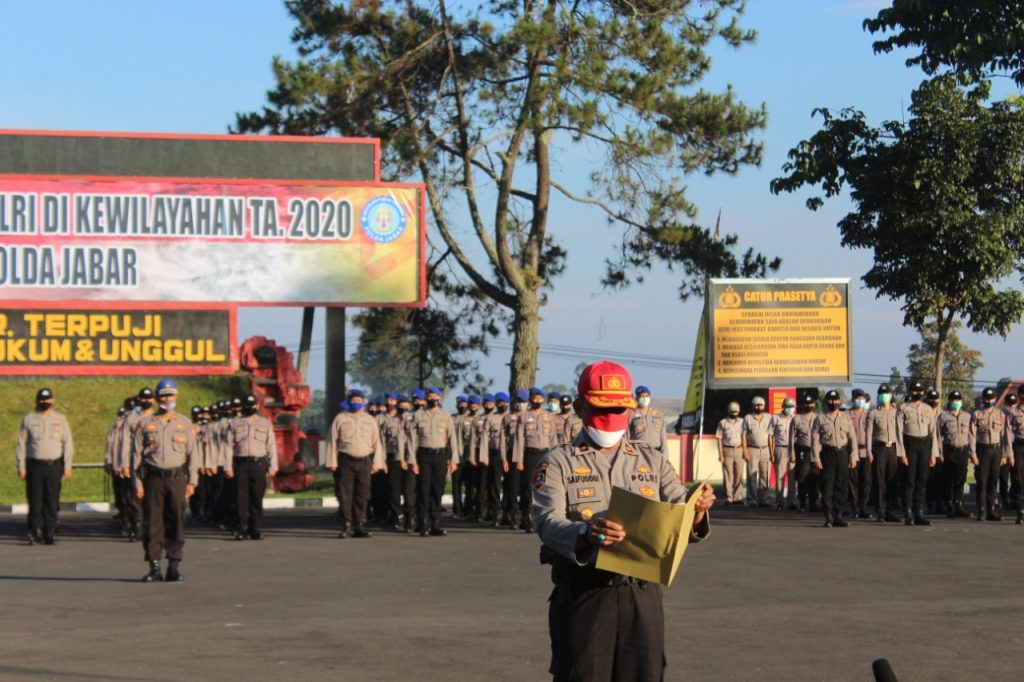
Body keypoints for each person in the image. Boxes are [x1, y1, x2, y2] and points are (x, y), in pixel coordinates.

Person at [533, 360, 714, 682]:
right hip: (585, 591)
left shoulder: (652, 460)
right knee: (584, 674)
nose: (611, 418)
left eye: (619, 408)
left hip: (641, 594)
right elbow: (547, 522)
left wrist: (697, 509)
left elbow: (678, 512)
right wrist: (586, 533)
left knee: (645, 674)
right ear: (578, 406)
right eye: (601, 408)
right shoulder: (558, 462)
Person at [132, 380, 199, 582]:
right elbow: (136, 455)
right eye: (163, 396)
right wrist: (137, 482)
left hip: (177, 479)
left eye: (170, 396)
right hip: (153, 479)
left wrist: (192, 481)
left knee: (176, 521)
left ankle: (173, 566)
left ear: (175, 397)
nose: (167, 400)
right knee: (152, 523)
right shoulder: (144, 424)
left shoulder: (184, 423)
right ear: (156, 398)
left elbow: (193, 454)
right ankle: (154, 567)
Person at [16, 388, 74, 545]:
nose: (44, 403)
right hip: (34, 465)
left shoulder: (60, 419)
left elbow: (67, 443)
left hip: (54, 465)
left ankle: (50, 531)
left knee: (51, 500)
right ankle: (34, 531)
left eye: (47, 400)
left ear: (53, 401)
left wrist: (67, 466)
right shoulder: (29, 419)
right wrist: (21, 466)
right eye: (41, 400)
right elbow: (22, 444)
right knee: (35, 501)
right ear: (36, 401)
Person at [327, 390, 386, 538]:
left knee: (362, 494)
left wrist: (377, 463)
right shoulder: (340, 419)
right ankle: (346, 524)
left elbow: (376, 443)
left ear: (363, 402)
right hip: (345, 461)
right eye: (353, 400)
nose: (356, 402)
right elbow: (332, 441)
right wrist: (331, 462)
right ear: (349, 402)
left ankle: (360, 524)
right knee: (345, 494)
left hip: (365, 461)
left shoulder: (369, 420)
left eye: (359, 400)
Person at [224, 395, 279, 540]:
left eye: (252, 404)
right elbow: (228, 447)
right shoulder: (234, 423)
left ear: (257, 406)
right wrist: (227, 467)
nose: (249, 407)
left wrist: (273, 466)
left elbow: (271, 446)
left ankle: (255, 527)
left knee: (256, 496)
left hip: (258, 463)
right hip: (240, 463)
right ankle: (242, 527)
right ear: (242, 407)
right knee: (240, 497)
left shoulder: (264, 423)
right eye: (246, 404)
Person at [408, 386, 460, 536]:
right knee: (423, 490)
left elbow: (452, 439)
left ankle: (435, 523)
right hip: (423, 456)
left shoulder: (445, 415)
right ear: (426, 398)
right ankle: (423, 524)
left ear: (439, 398)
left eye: (434, 396)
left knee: (438, 490)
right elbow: (412, 440)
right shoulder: (418, 415)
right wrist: (412, 461)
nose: (432, 399)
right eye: (429, 396)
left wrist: (454, 460)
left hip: (440, 456)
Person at [811, 390, 858, 527]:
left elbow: (852, 438)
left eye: (836, 400)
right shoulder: (820, 418)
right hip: (827, 454)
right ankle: (828, 516)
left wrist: (853, 456)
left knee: (841, 485)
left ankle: (838, 515)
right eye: (831, 400)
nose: (833, 403)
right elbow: (814, 439)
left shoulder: (845, 417)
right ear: (826, 402)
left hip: (842, 453)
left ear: (839, 401)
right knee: (827, 486)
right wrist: (815, 458)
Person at [516, 387, 560, 533]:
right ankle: (527, 518)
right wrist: (519, 460)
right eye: (534, 399)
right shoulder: (524, 417)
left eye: (539, 399)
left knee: (542, 485)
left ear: (543, 400)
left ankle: (542, 517)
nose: (536, 401)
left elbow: (553, 438)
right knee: (529, 487)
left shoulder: (549, 417)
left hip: (545, 455)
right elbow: (519, 440)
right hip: (529, 455)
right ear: (530, 400)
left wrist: (555, 457)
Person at [898, 381, 939, 526]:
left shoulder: (927, 409)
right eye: (914, 391)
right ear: (909, 392)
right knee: (909, 480)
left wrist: (933, 454)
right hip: (910, 444)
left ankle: (918, 512)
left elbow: (933, 432)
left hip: (925, 444)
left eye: (919, 391)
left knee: (922, 480)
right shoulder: (903, 408)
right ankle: (908, 512)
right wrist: (901, 453)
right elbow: (899, 432)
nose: (917, 393)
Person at [970, 387, 1012, 522]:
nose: (989, 400)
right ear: (983, 399)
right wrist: (973, 454)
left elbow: (1005, 436)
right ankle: (982, 510)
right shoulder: (977, 414)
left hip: (996, 450)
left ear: (995, 399)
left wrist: (1005, 455)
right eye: (987, 398)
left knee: (993, 481)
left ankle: (991, 510)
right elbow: (971, 436)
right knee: (982, 481)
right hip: (982, 450)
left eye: (991, 398)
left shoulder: (1000, 415)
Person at [866, 384, 904, 523]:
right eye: (881, 394)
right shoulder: (873, 413)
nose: (884, 396)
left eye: (886, 393)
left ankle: (890, 510)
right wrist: (869, 451)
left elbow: (900, 433)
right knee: (879, 481)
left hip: (893, 448)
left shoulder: (896, 412)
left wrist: (901, 452)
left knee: (892, 481)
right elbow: (869, 434)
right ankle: (880, 511)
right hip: (879, 448)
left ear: (890, 395)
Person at [937, 390, 971, 519]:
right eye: (953, 400)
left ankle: (958, 504)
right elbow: (938, 436)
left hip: (963, 451)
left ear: (961, 401)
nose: (956, 402)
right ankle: (949, 505)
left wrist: (970, 453)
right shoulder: (943, 416)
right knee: (948, 480)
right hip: (949, 451)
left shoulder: (967, 416)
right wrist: (939, 453)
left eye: (958, 400)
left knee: (960, 480)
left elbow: (971, 436)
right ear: (949, 401)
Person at [381, 393, 412, 532]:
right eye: (400, 404)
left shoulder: (414, 419)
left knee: (409, 490)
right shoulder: (389, 421)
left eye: (406, 404)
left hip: (410, 457)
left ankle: (410, 517)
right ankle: (398, 515)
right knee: (393, 490)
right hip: (393, 457)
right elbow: (382, 442)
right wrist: (382, 461)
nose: (403, 406)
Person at [479, 392, 507, 527]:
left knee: (509, 485)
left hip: (510, 454)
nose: (502, 405)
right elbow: (484, 438)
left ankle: (508, 513)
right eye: (500, 402)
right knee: (494, 485)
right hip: (494, 454)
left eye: (505, 402)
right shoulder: (491, 418)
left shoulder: (512, 417)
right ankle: (495, 513)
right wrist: (484, 457)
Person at [790, 394, 819, 512]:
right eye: (806, 403)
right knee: (802, 477)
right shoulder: (796, 418)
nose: (808, 405)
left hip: (816, 451)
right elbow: (791, 437)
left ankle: (813, 503)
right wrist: (791, 453)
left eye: (810, 403)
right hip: (803, 450)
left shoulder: (818, 417)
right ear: (802, 405)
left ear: (814, 405)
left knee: (815, 477)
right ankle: (802, 502)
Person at [742, 396, 772, 507]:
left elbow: (771, 435)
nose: (759, 407)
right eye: (756, 405)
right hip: (752, 450)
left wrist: (772, 451)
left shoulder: (769, 417)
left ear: (764, 406)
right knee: (751, 475)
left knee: (765, 475)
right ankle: (752, 500)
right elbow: (743, 435)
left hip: (766, 450)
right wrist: (744, 450)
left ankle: (764, 499)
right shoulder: (748, 418)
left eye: (761, 405)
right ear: (753, 406)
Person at [847, 389, 872, 519]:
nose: (860, 401)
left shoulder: (870, 415)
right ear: (853, 400)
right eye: (857, 398)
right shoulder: (847, 415)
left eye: (862, 398)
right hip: (852, 452)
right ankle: (854, 507)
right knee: (852, 481)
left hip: (867, 452)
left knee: (866, 481)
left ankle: (864, 507)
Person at [770, 397, 797, 510]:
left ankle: (791, 502)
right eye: (788, 406)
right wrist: (772, 453)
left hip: (793, 450)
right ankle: (780, 502)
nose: (790, 409)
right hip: (780, 449)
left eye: (792, 407)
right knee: (780, 476)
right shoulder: (775, 418)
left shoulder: (796, 419)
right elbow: (770, 436)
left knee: (792, 477)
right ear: (783, 406)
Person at [716, 402, 744, 504]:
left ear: (739, 411)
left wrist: (745, 451)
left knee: (739, 474)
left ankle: (737, 497)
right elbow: (719, 439)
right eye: (732, 411)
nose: (734, 413)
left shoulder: (742, 422)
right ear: (729, 411)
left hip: (739, 450)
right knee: (728, 475)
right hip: (727, 450)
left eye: (736, 411)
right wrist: (720, 454)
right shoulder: (723, 422)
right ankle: (729, 497)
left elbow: (745, 437)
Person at [628, 386, 666, 455]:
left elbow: (663, 438)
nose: (645, 398)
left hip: (656, 452)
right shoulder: (631, 414)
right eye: (642, 396)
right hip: (639, 452)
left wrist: (665, 457)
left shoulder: (658, 415)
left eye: (647, 396)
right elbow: (626, 437)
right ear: (636, 398)